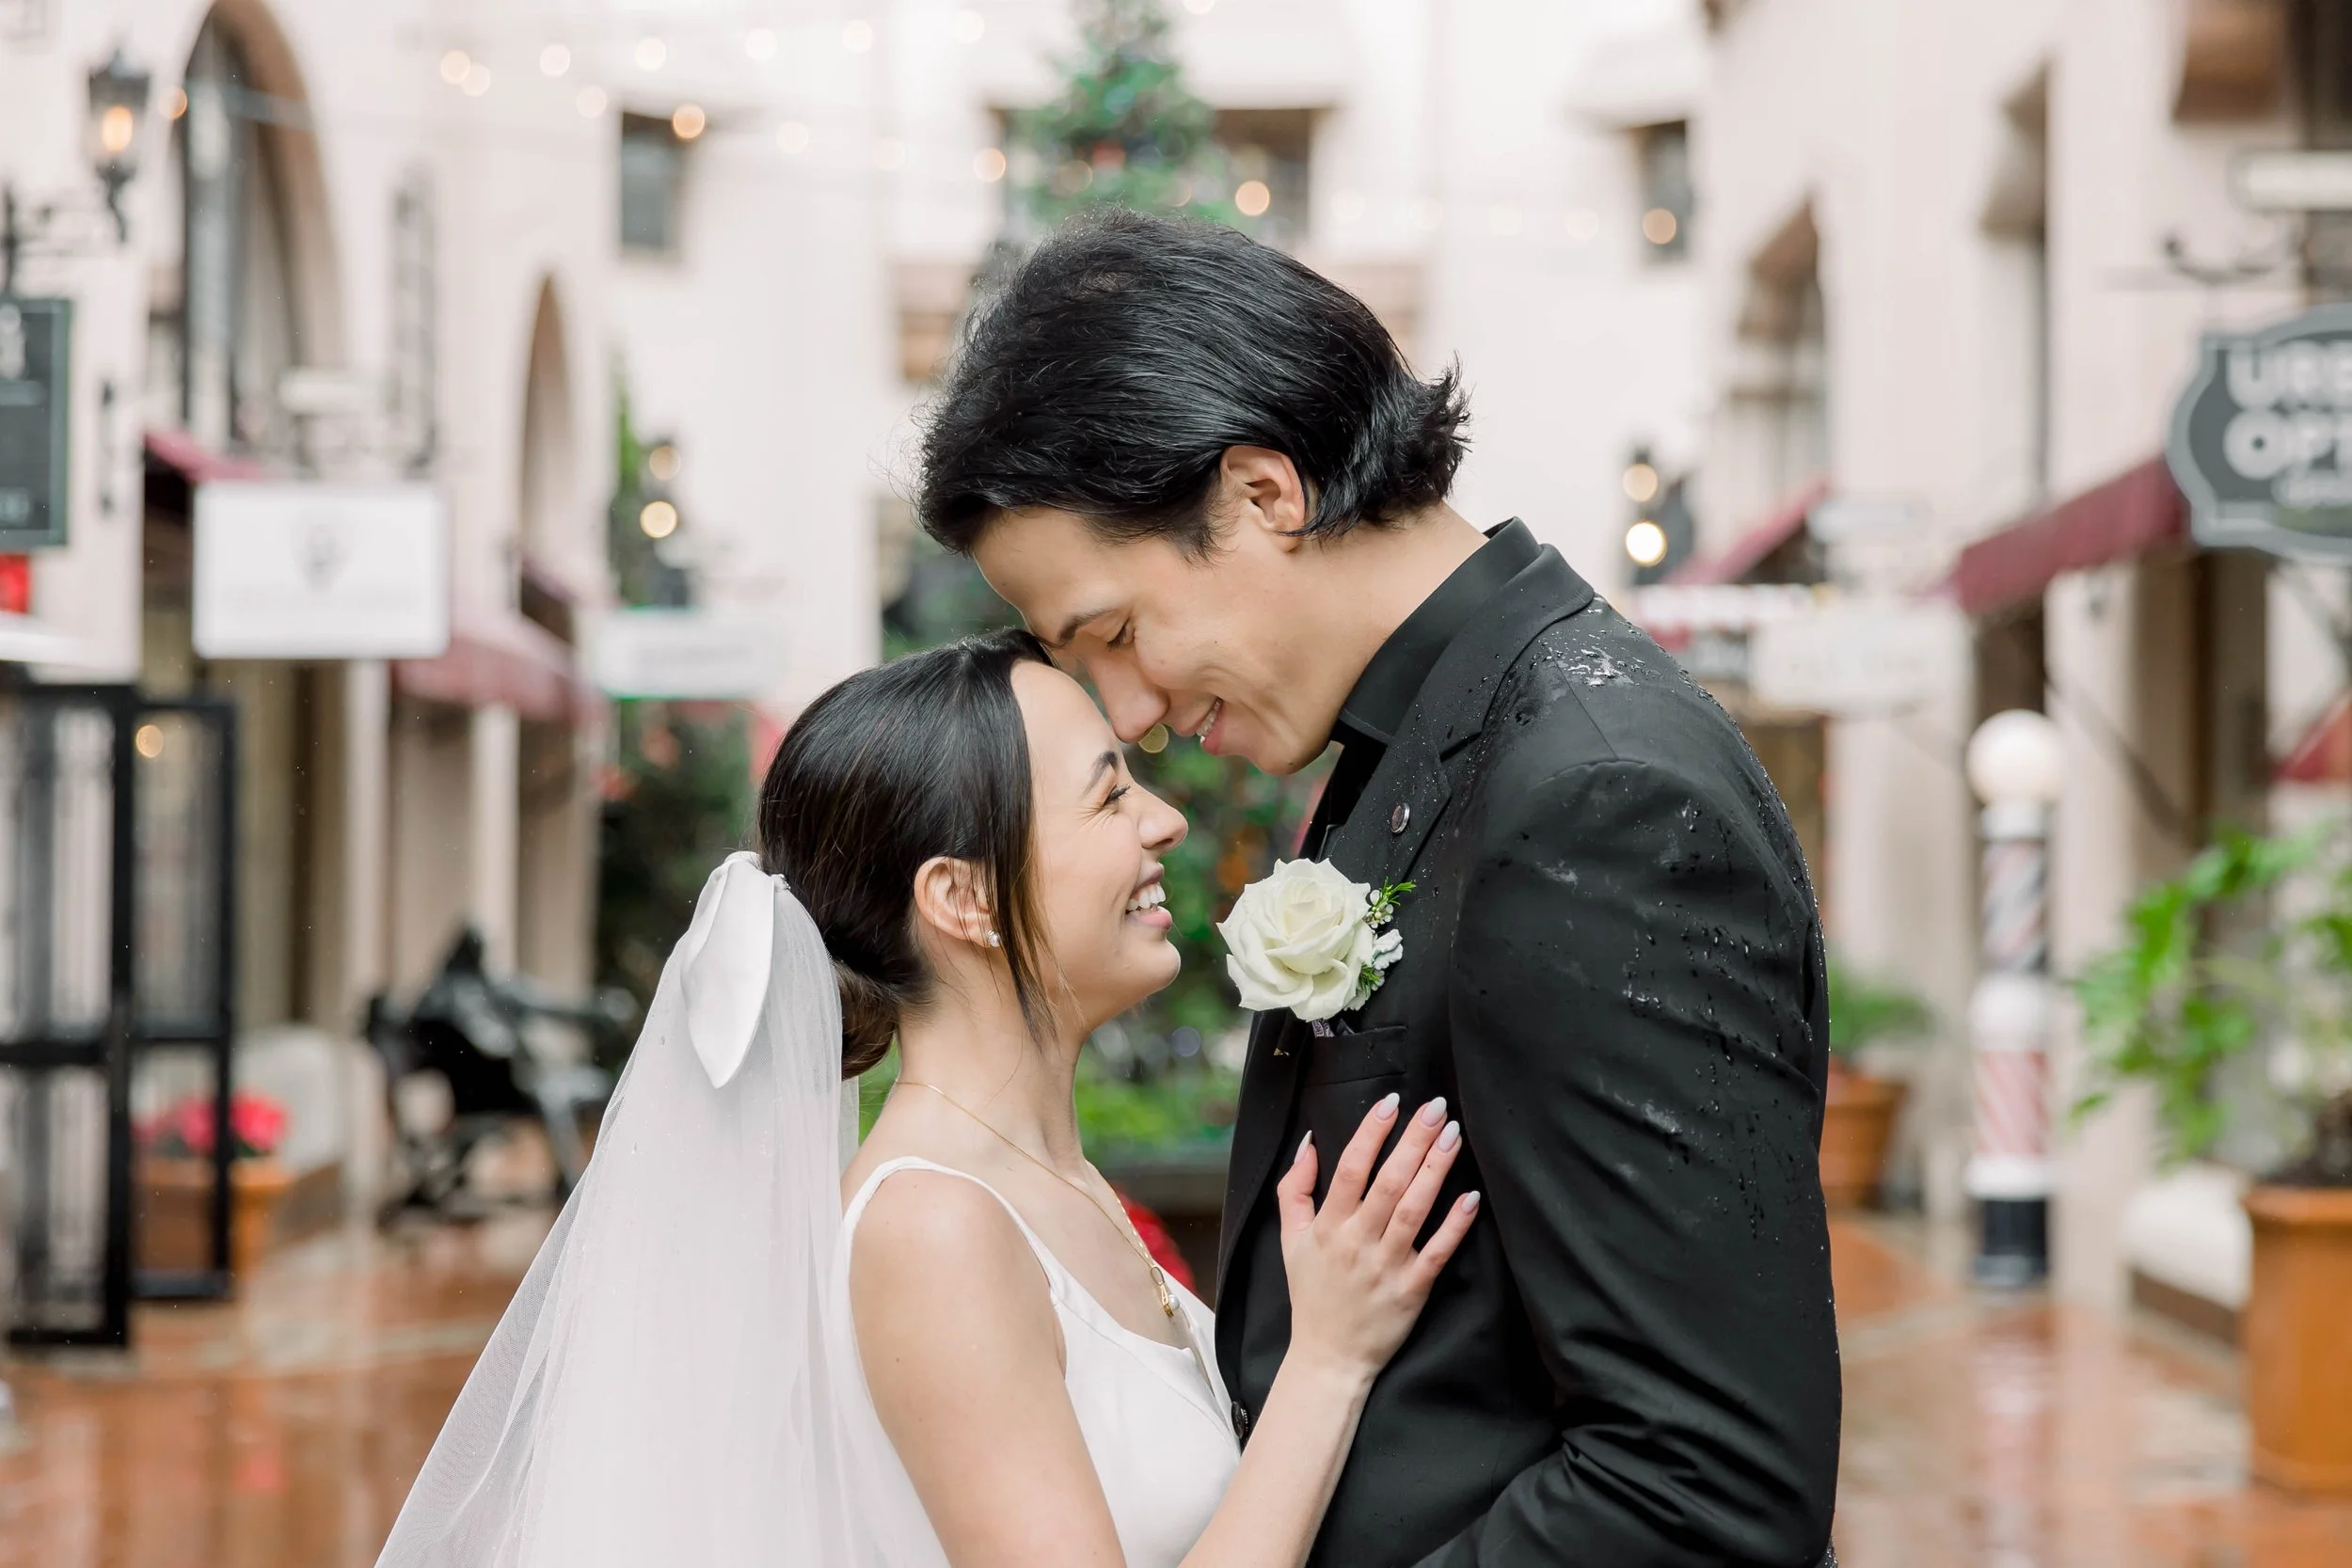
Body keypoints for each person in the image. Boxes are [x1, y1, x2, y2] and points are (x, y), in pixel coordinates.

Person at [917, 209, 1843, 1567]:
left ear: (1262, 494)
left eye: (1115, 631)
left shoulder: (1596, 793)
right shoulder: (1433, 741)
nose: (1135, 712)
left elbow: (1701, 1484)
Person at [375, 630, 1478, 1568]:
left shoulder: (1045, 1177)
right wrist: (1328, 1361)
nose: (1163, 822)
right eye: (1107, 794)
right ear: (961, 895)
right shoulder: (931, 1227)